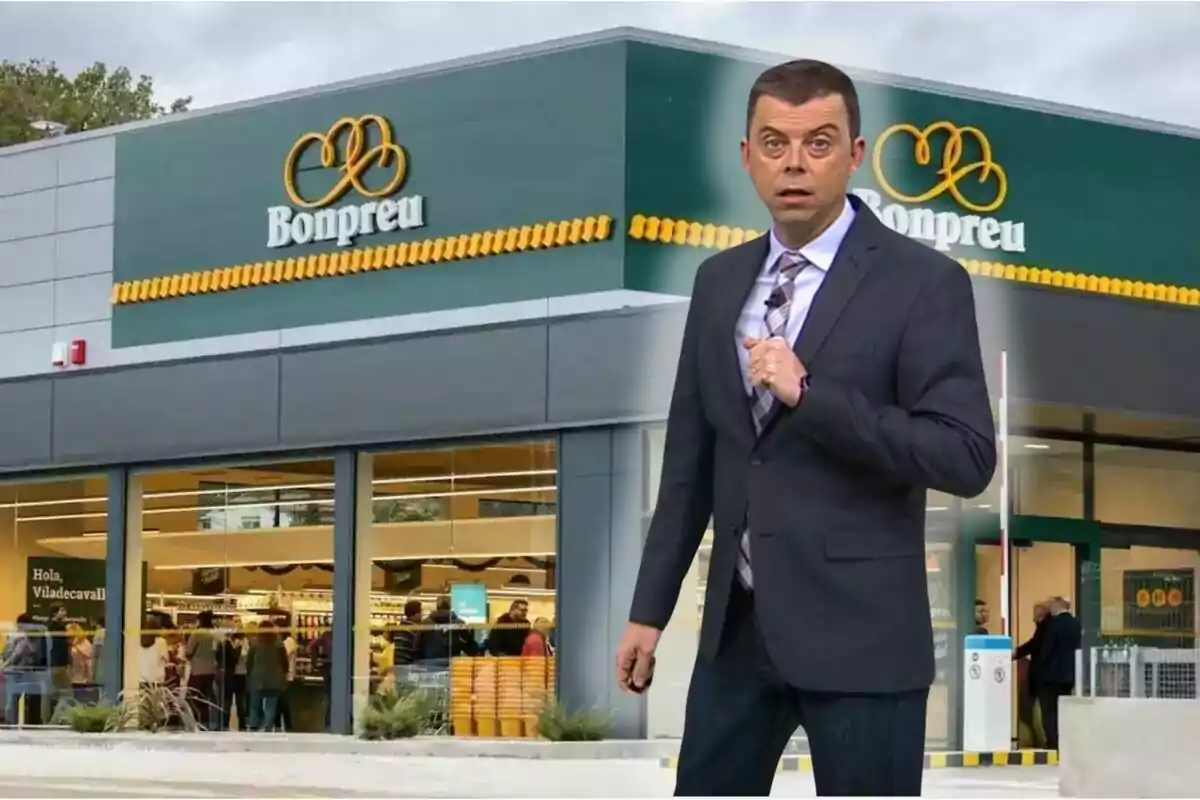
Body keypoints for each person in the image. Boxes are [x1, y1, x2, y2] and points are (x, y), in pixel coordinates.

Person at [615, 58, 996, 797]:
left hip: (863, 637)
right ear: (746, 156)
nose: (795, 163)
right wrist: (647, 612)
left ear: (855, 155)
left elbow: (965, 454)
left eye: (819, 143)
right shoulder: (720, 282)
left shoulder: (922, 283)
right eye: (774, 142)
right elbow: (692, 465)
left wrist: (809, 394)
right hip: (737, 634)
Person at [1035, 597, 1081, 750]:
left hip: (1050, 675)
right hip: (1069, 675)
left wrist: (1038, 665)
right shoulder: (1076, 623)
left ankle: (1053, 744)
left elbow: (1046, 648)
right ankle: (1065, 743)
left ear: (1057, 606)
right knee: (1064, 709)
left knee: (1049, 711)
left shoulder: (1053, 624)